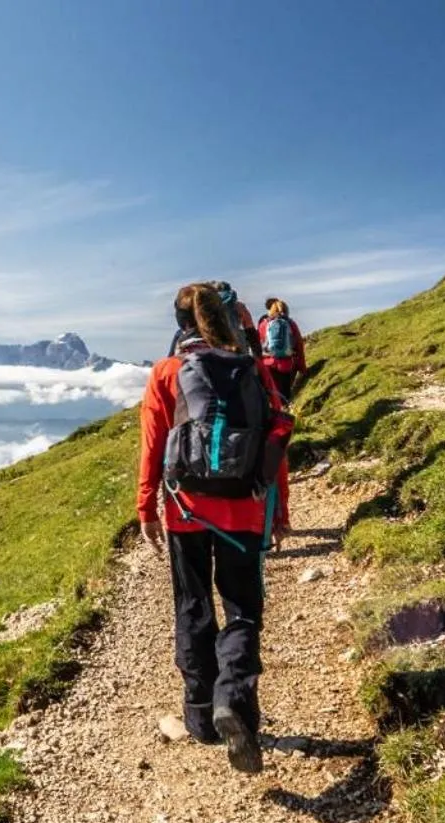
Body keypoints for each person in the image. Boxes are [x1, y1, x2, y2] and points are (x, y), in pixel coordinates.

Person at [137, 282, 293, 774]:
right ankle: (236, 701)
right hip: (244, 510)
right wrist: (280, 510)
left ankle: (200, 716)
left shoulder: (167, 372)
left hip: (186, 511)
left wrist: (146, 508)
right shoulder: (253, 371)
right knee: (243, 608)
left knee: (193, 603)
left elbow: (153, 444)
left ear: (179, 324)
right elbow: (276, 444)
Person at [165, 281, 261, 360]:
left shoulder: (199, 304)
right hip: (236, 355)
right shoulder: (239, 307)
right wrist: (257, 357)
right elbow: (250, 329)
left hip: (195, 356)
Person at [258, 297, 307, 403]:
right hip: (286, 364)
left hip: (268, 363)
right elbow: (299, 346)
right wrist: (302, 368)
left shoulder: (263, 324)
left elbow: (258, 346)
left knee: (272, 395)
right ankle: (286, 413)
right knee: (285, 396)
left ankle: (275, 415)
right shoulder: (291, 324)